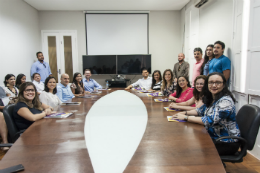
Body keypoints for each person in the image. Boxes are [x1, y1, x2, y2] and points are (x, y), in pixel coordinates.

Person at [172, 72, 240, 156]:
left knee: (189, 148)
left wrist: (186, 117)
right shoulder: (212, 97)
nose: (214, 85)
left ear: (223, 85)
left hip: (226, 142)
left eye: (218, 82)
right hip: (213, 136)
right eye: (211, 82)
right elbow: (199, 111)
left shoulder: (225, 101)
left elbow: (209, 120)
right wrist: (183, 113)